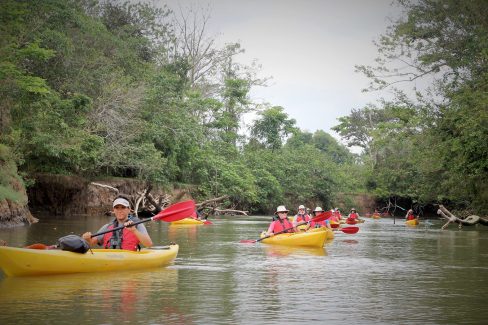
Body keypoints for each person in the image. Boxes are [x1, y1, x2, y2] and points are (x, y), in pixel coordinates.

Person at [82, 197, 153, 251]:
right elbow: (92, 242)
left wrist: (134, 230)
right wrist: (87, 238)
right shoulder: (107, 227)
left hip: (129, 259)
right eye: (117, 208)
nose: (119, 211)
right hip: (109, 260)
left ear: (129, 210)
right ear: (113, 210)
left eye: (123, 207)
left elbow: (149, 244)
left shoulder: (137, 225)